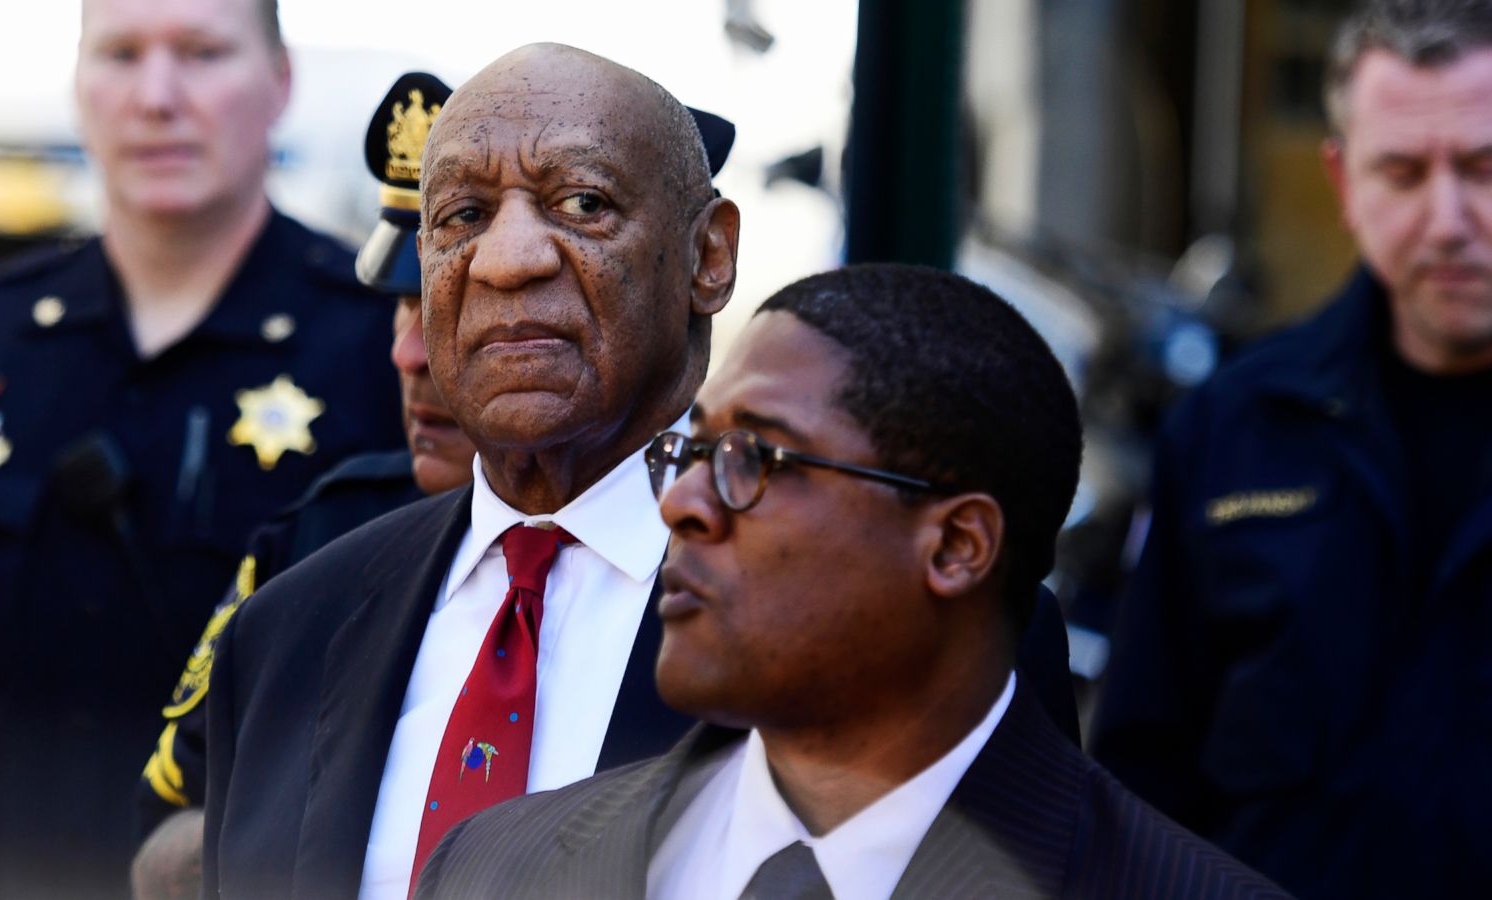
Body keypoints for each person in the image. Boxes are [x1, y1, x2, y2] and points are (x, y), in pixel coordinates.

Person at [202, 44, 1082, 900]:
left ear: (710, 257)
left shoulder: (906, 629)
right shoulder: (287, 633)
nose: (508, 261)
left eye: (582, 203)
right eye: (463, 216)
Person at [413, 264, 1288, 900]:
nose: (681, 503)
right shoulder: (495, 868)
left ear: (955, 546)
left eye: (753, 457)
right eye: (692, 452)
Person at [0, 0, 405, 896]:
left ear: (280, 82)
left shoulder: (384, 357)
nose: (157, 96)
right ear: (79, 84)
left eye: (203, 53)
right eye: (121, 54)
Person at [1090, 2, 1492, 897]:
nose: (1448, 220)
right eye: (1403, 172)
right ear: (1345, 182)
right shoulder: (1234, 428)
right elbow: (1142, 783)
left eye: (1483, 167)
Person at [128, 71, 476, 900]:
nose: (411, 355)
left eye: (459, 302)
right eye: (401, 304)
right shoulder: (321, 539)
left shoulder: (702, 539)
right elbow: (164, 830)